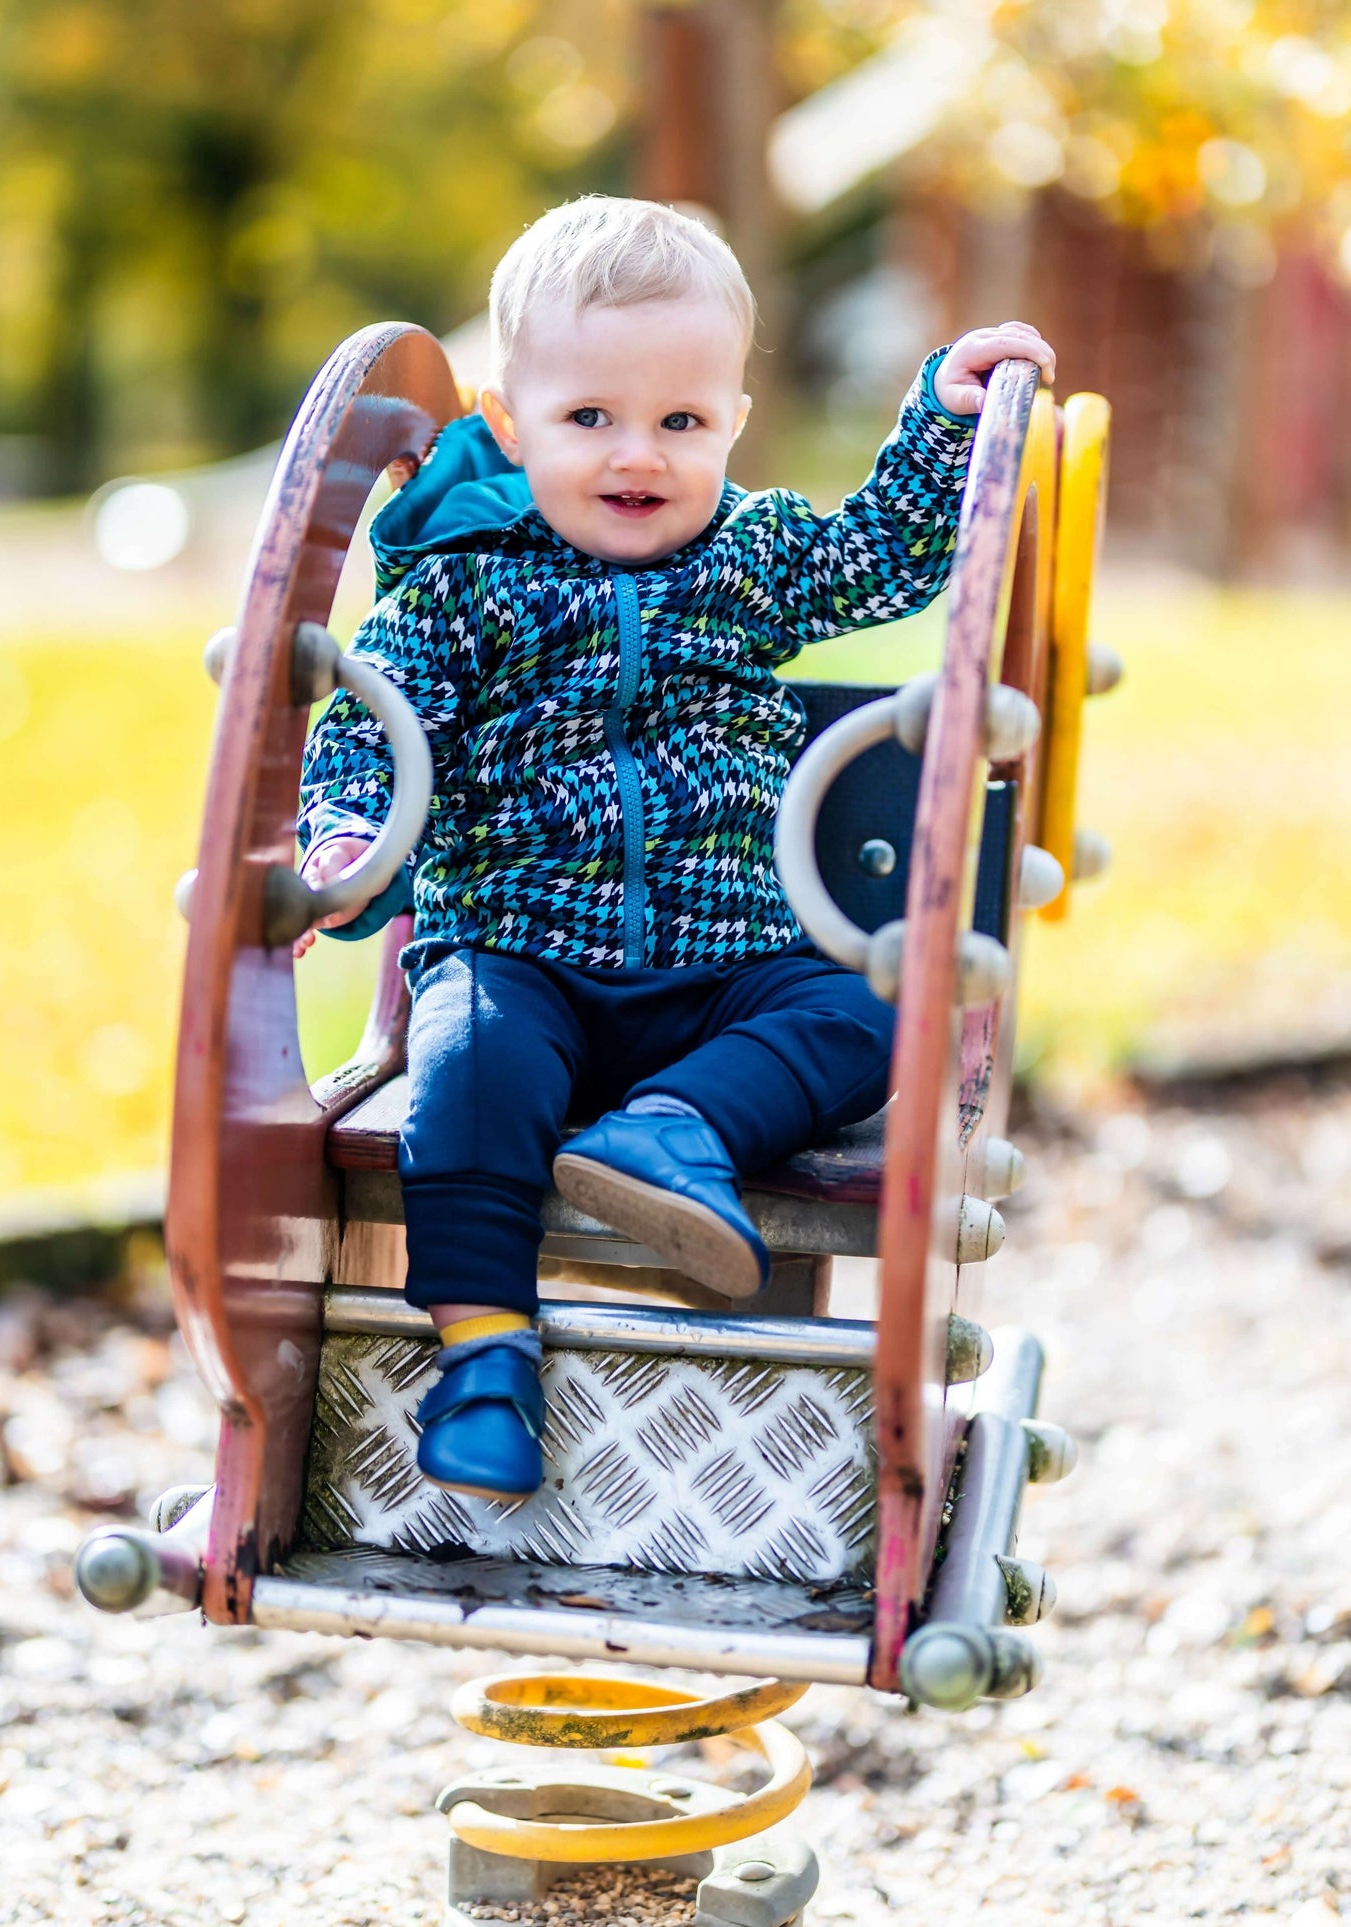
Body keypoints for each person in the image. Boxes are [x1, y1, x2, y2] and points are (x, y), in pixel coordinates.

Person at [294, 195, 1055, 1504]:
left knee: (864, 1014)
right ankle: (485, 1355)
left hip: (726, 968)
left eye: (680, 422)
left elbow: (884, 558)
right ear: (510, 416)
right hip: (521, 957)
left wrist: (941, 411)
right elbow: (374, 728)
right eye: (589, 418)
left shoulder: (751, 556)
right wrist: (346, 839)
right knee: (464, 1070)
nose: (635, 454)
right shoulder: (463, 587)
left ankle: (671, 1128)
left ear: (732, 423)